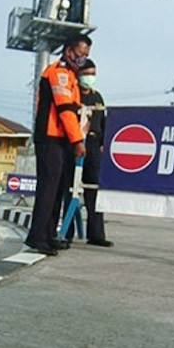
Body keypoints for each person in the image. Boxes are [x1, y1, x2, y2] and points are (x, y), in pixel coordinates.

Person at [25, 34, 91, 256]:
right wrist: (77, 141)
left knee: (58, 188)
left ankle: (49, 234)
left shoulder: (71, 76)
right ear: (69, 51)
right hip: (50, 137)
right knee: (48, 188)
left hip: (61, 139)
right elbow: (65, 111)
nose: (83, 59)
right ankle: (37, 237)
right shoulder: (59, 73)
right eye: (81, 54)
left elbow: (74, 112)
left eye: (86, 56)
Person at [59, 59, 113, 247]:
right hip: (74, 145)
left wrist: (103, 143)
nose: (90, 78)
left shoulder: (98, 97)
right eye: (86, 74)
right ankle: (67, 233)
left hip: (93, 146)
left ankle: (96, 234)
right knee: (70, 189)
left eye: (93, 74)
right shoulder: (72, 95)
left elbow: (104, 122)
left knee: (94, 191)